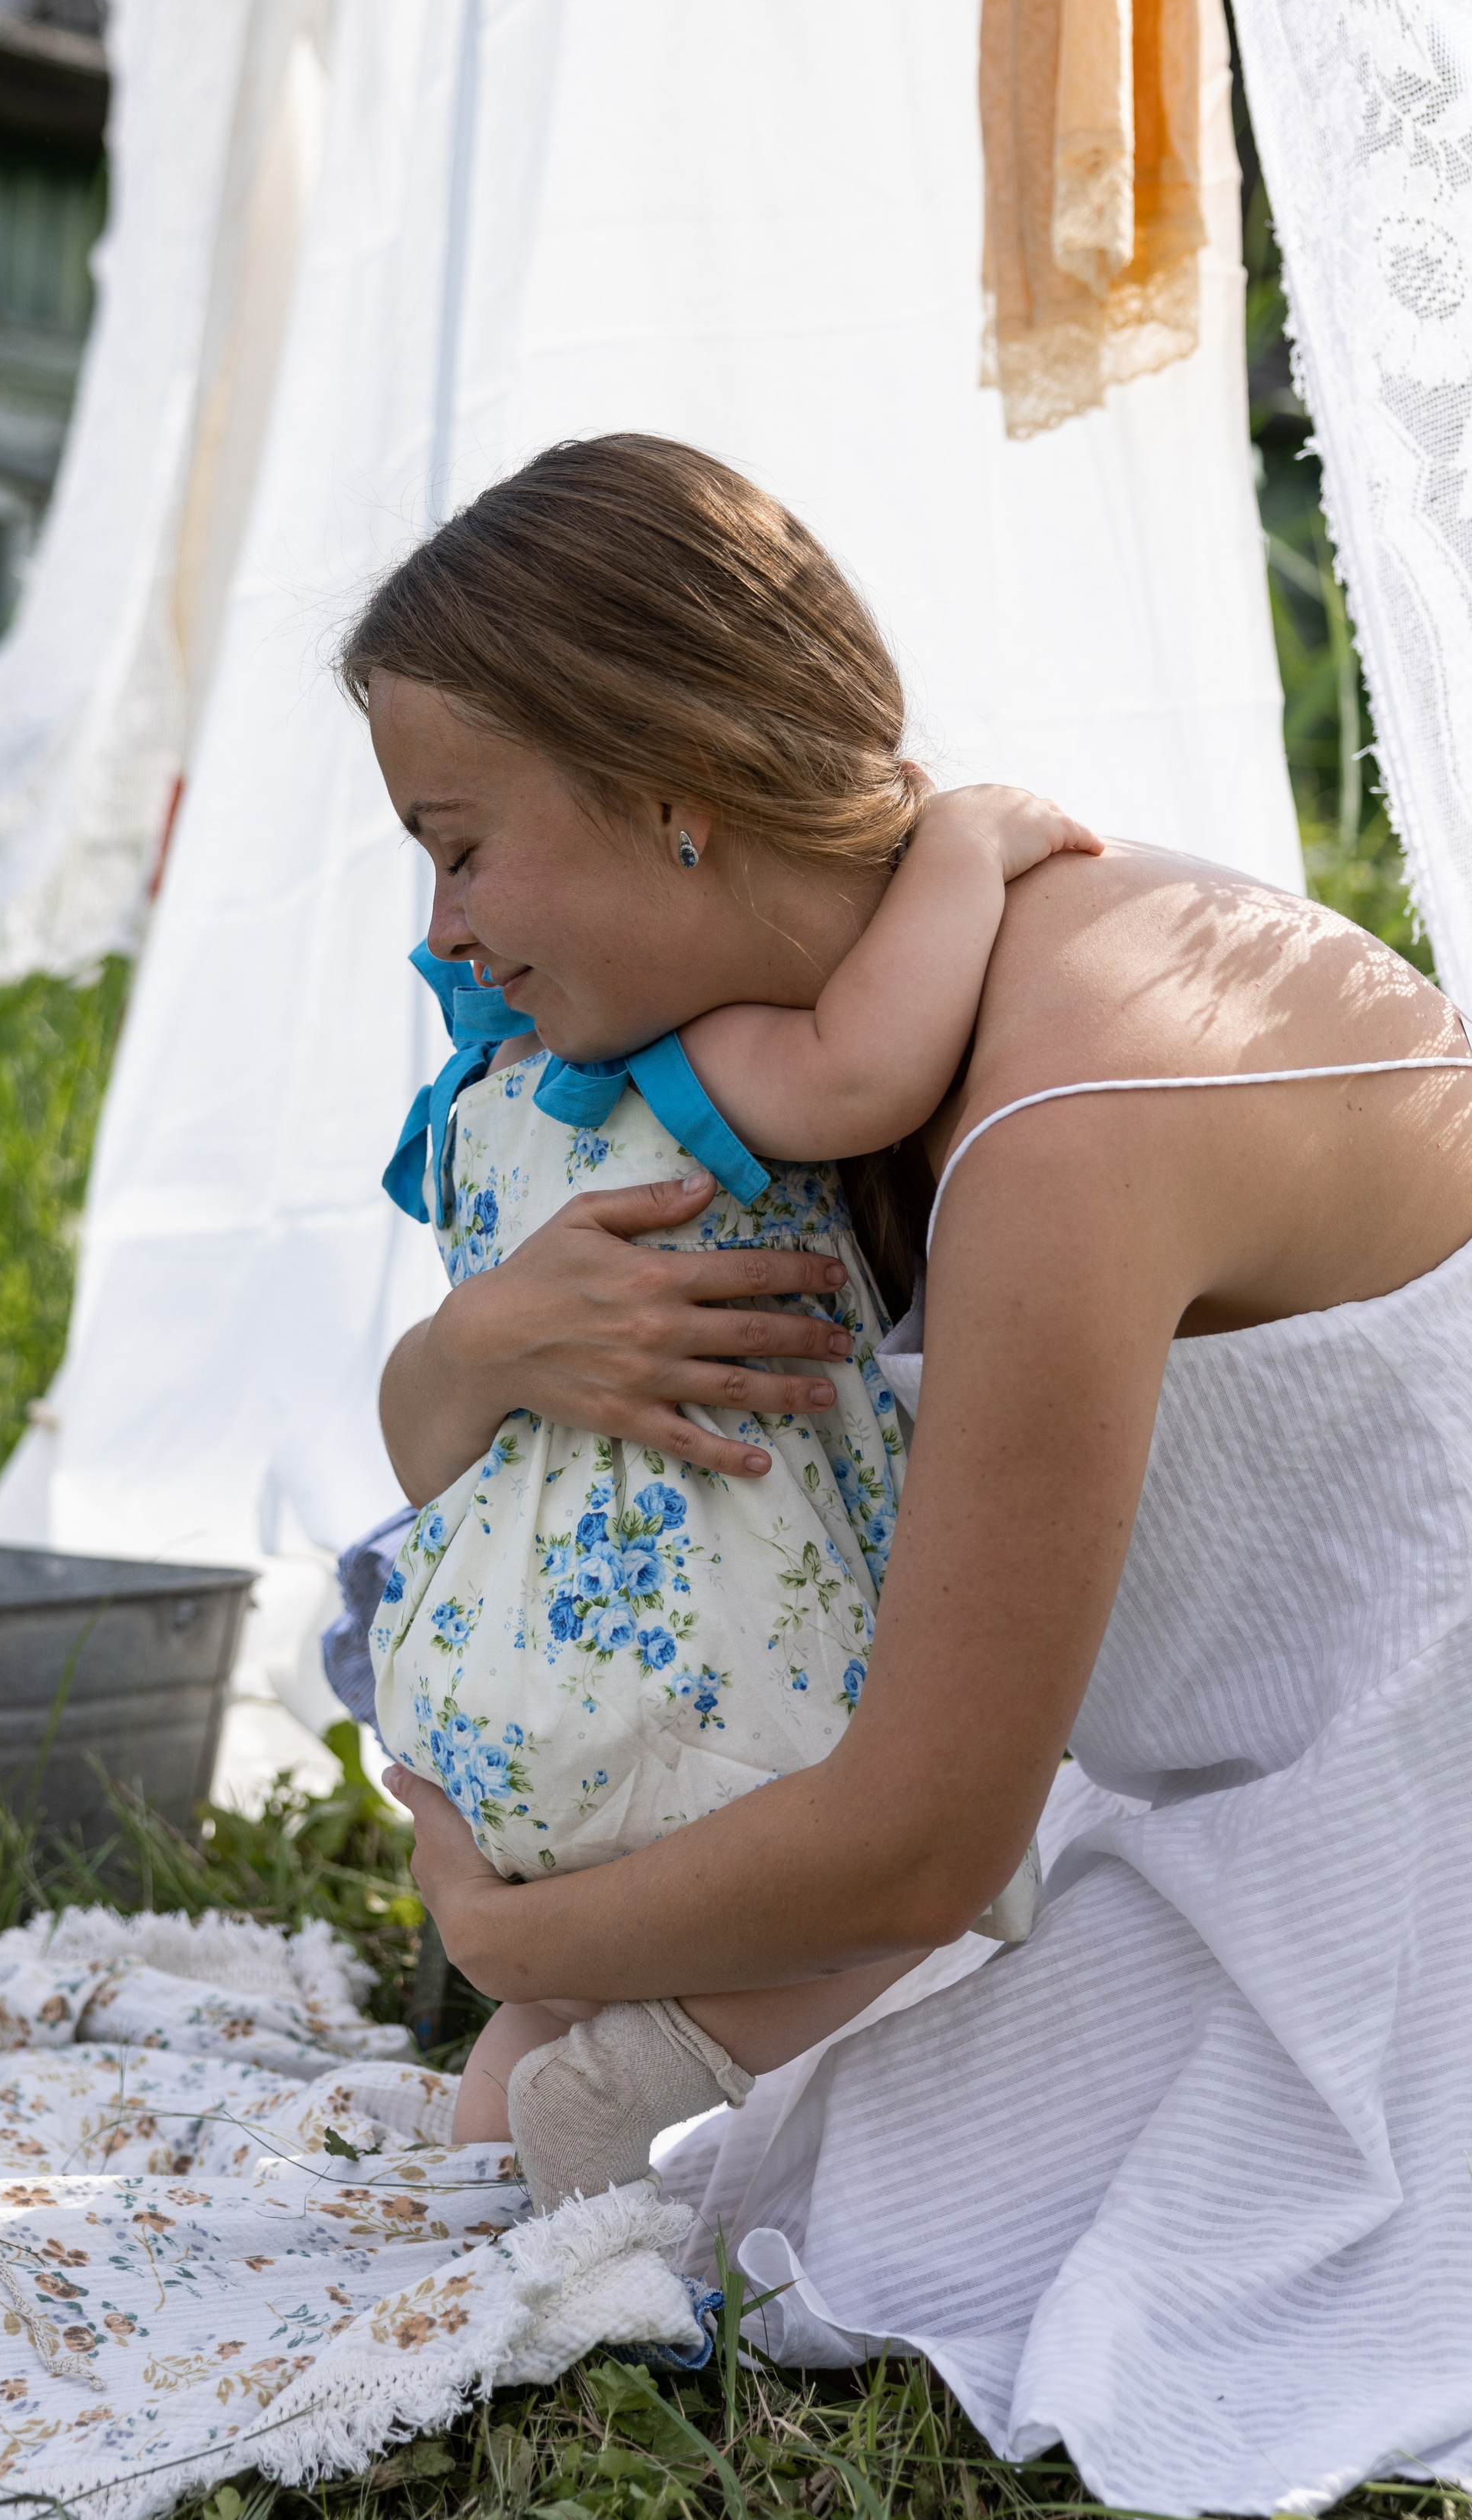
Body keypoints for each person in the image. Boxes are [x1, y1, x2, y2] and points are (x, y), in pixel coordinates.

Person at [346, 435, 1472, 2512]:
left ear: (671, 786)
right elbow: (454, 1471)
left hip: (1385, 1852)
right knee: (687, 2157)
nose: (448, 928)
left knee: (839, 2217)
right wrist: (482, 1344)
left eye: (461, 846)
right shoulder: (764, 1077)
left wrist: (520, 1943)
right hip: (1132, 1788)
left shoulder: (1067, 1106)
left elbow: (922, 1844)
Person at [369, 780, 1099, 2186]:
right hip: (695, 1662)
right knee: (942, 1878)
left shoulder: (485, 1106)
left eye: (464, 858)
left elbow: (421, 1453)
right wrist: (964, 846)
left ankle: (503, 2182)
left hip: (493, 1685)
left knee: (564, 1990)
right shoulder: (675, 1067)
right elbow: (868, 1071)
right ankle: (654, 2071)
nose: (446, 923)